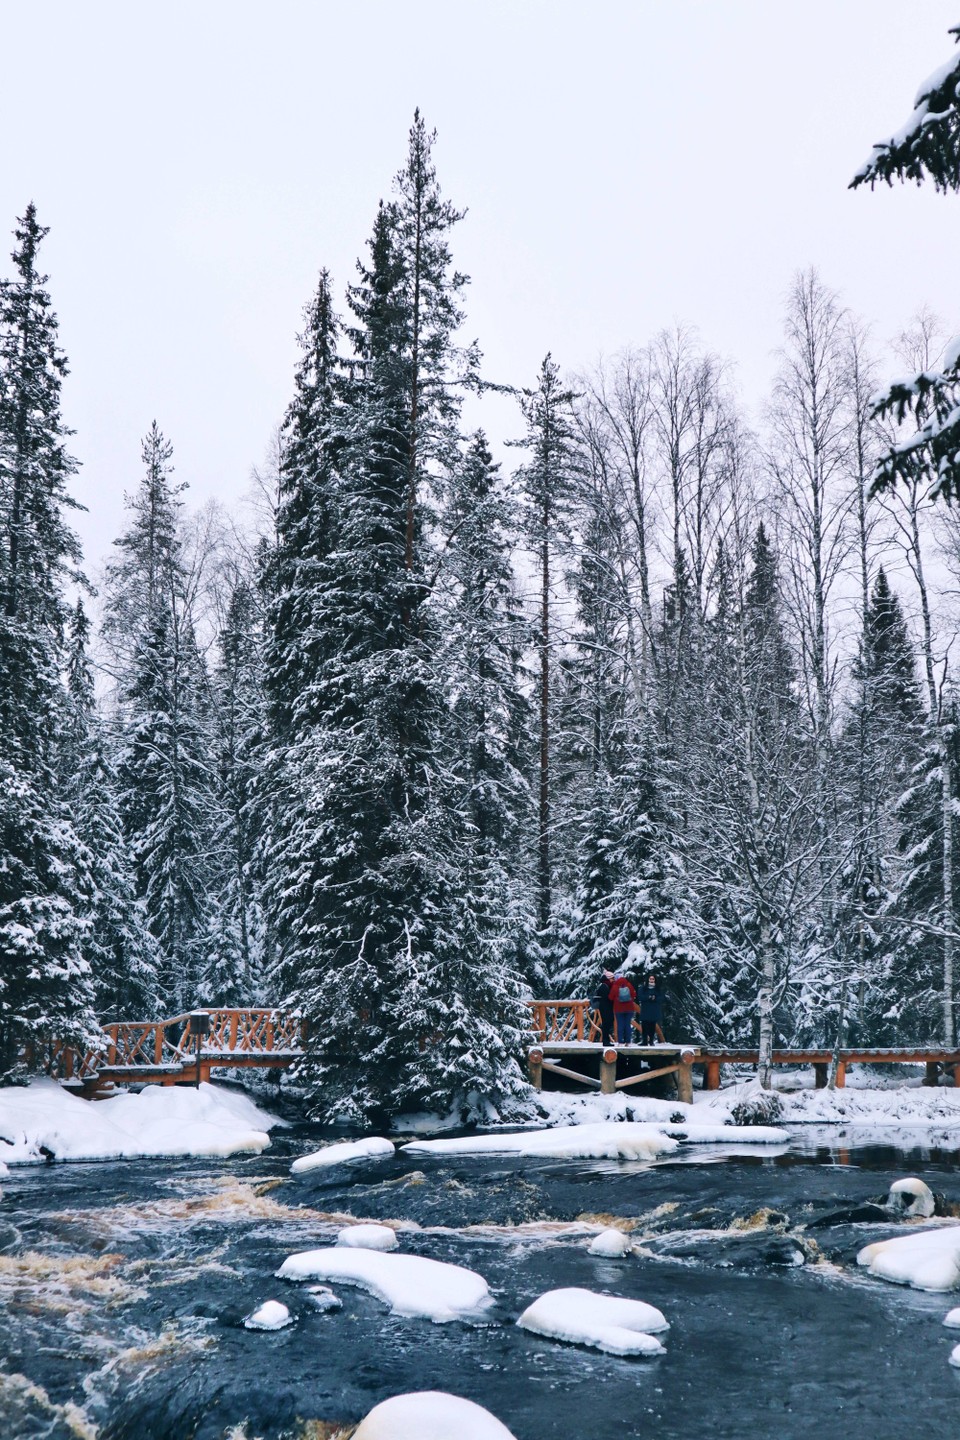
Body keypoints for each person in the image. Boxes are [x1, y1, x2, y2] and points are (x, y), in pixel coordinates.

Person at [610, 969, 637, 1044]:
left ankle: (620, 1041)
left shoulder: (615, 986)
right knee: (627, 1024)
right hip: (629, 1008)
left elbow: (611, 997)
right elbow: (634, 995)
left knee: (620, 1025)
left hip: (618, 1009)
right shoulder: (629, 985)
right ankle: (628, 1041)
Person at [590, 969, 615, 1044]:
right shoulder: (604, 986)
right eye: (612, 978)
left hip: (607, 1007)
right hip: (605, 1007)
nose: (613, 980)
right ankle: (605, 1040)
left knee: (607, 1023)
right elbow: (607, 997)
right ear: (608, 978)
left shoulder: (607, 985)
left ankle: (606, 1040)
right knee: (606, 1024)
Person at [638, 973, 663, 1046]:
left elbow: (661, 998)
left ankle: (651, 1041)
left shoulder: (658, 989)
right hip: (645, 1009)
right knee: (644, 1026)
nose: (651, 980)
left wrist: (655, 998)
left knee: (652, 1026)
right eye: (650, 979)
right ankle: (644, 1041)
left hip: (654, 1010)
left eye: (653, 979)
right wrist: (648, 997)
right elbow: (640, 997)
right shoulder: (643, 988)